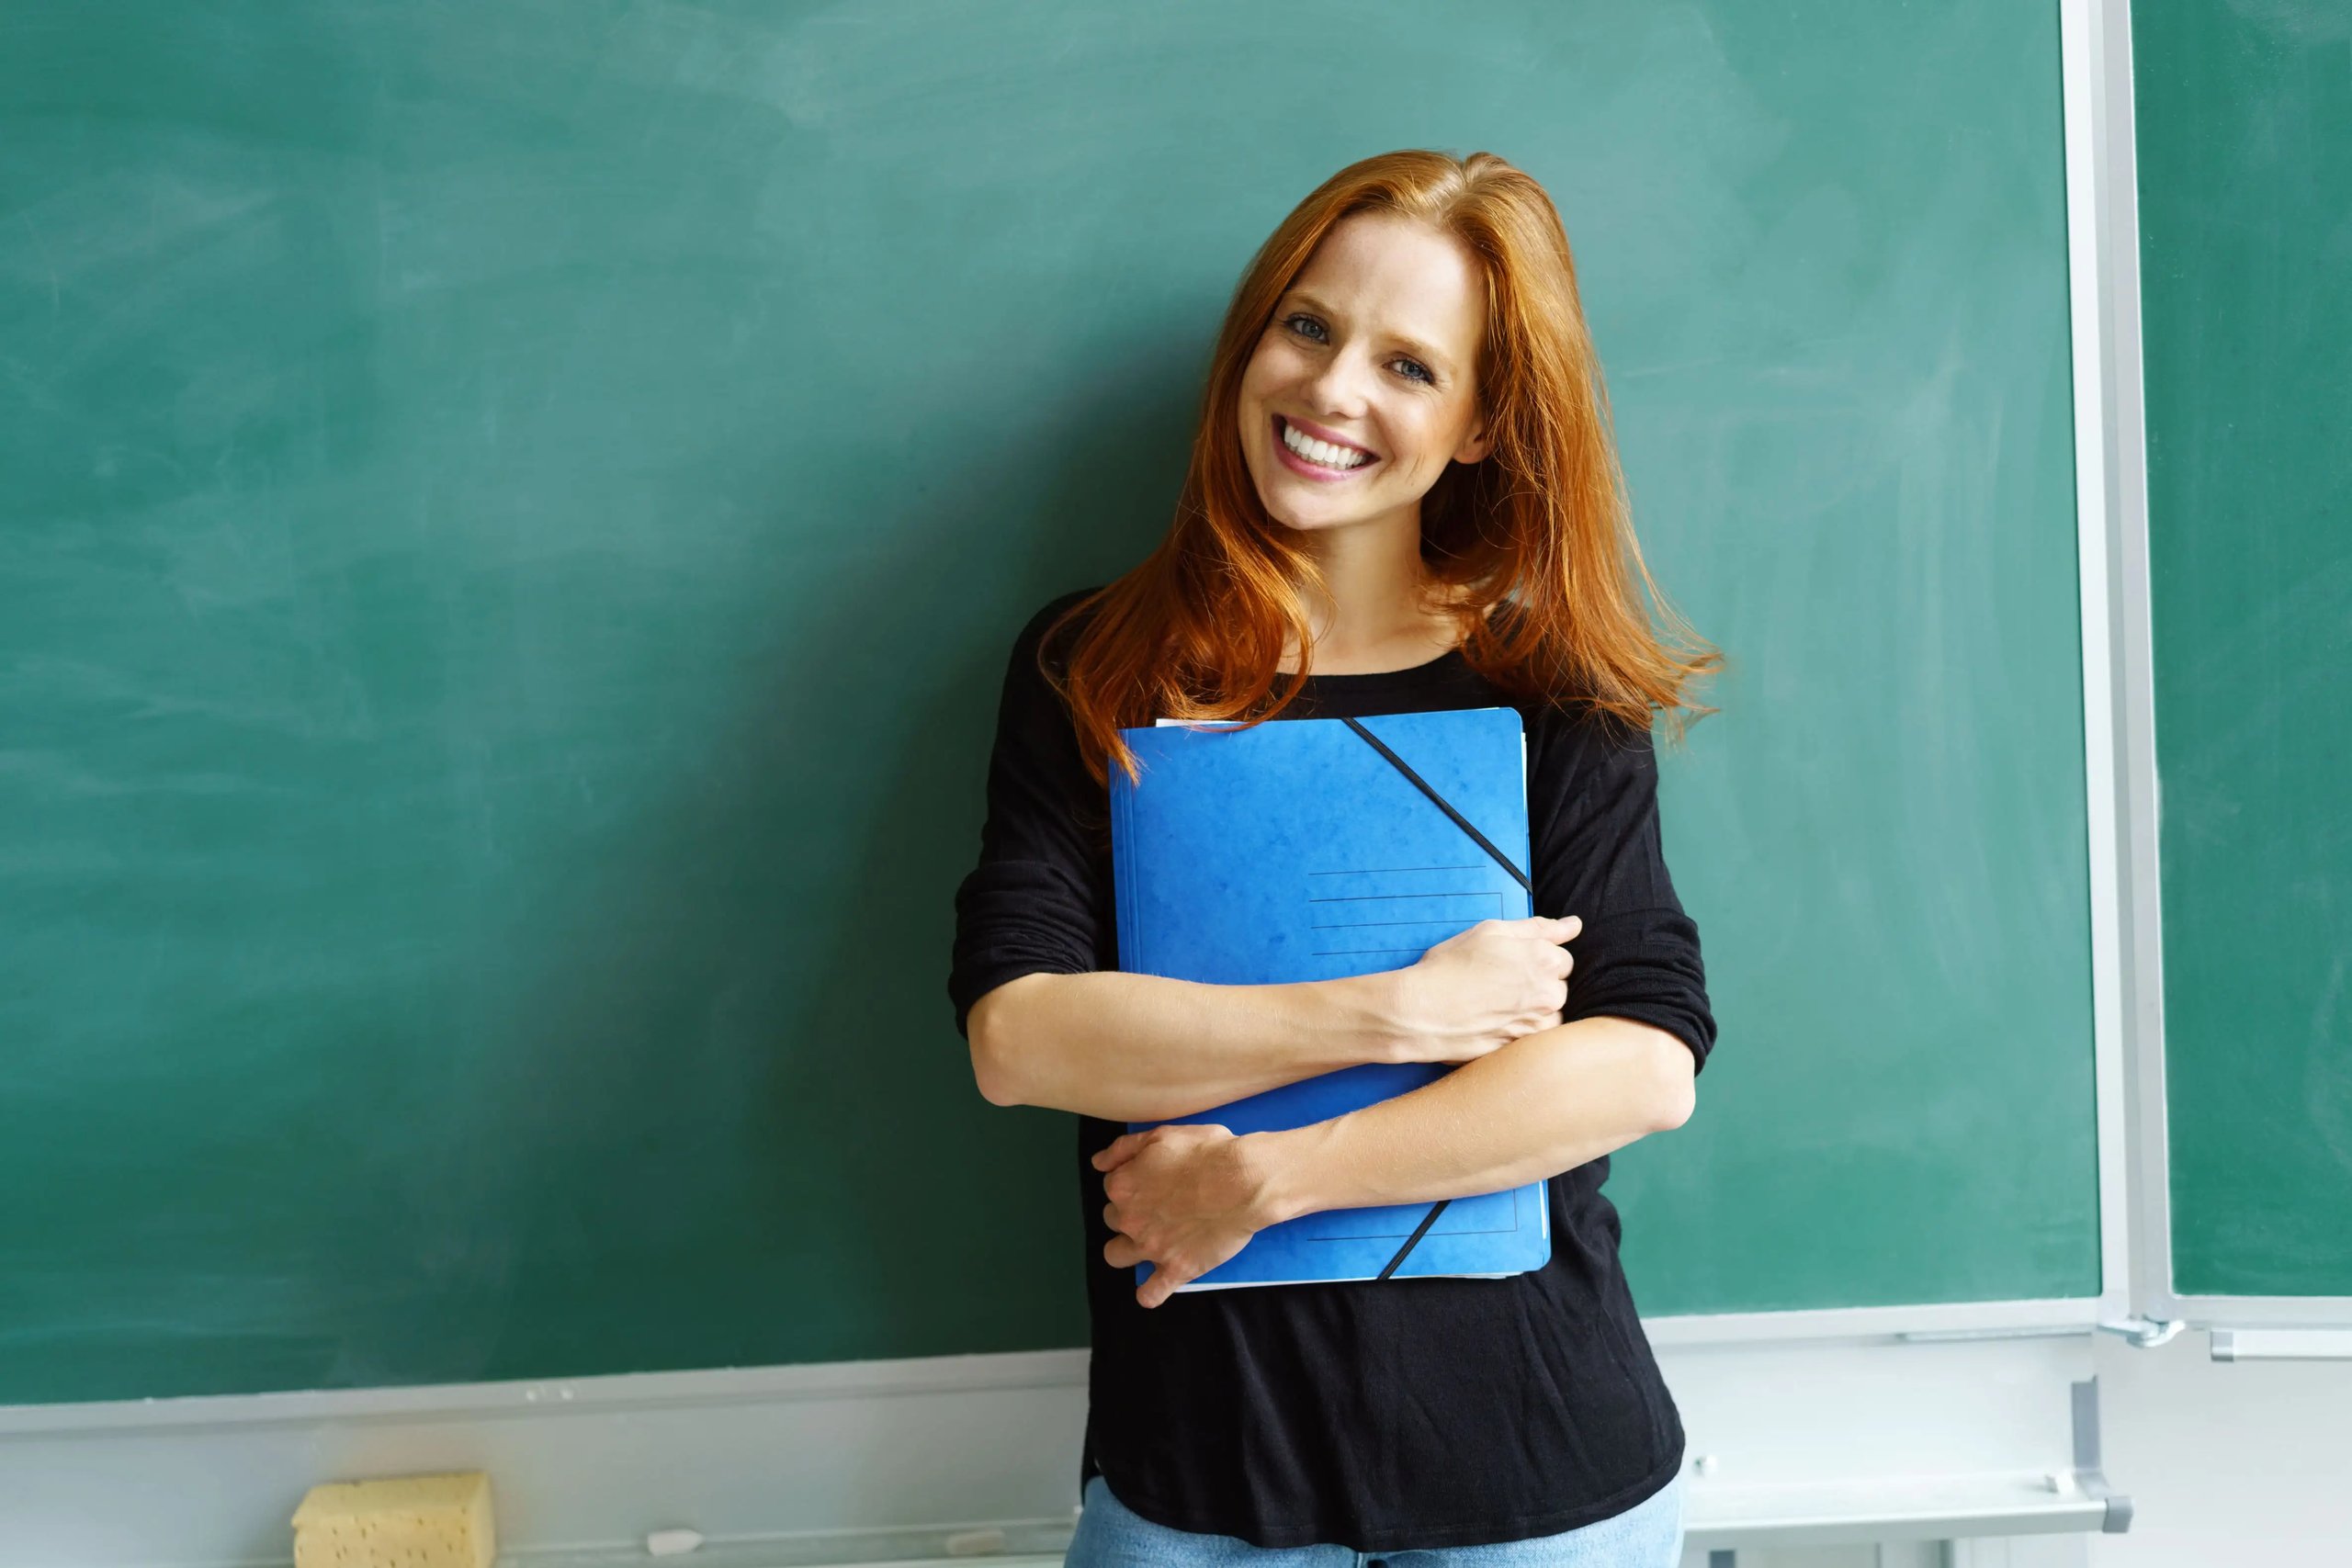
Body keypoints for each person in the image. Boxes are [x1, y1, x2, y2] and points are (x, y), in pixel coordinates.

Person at [945, 149, 1723, 1566]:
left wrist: (1282, 1174)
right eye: (1308, 326)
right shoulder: (1097, 667)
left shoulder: (1551, 691)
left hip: (1546, 1474)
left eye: (1411, 367)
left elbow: (1643, 1059)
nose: (1332, 391)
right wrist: (1397, 1014)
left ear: (1485, 424)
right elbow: (1023, 1036)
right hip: (1199, 1479)